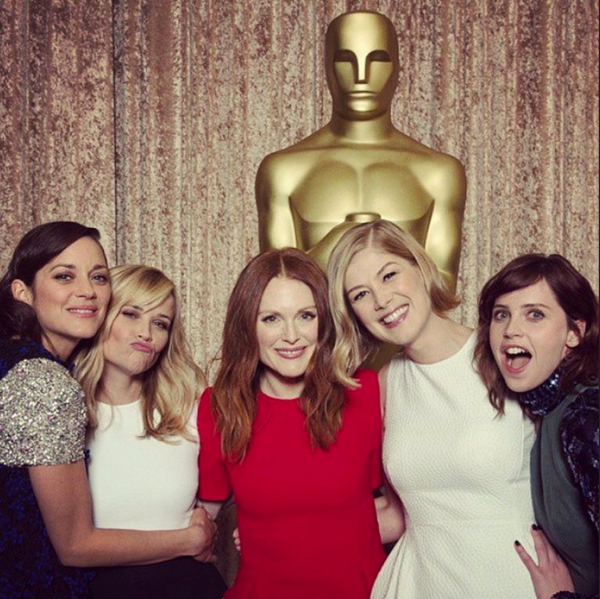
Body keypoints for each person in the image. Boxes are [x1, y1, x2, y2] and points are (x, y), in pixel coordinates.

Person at [0, 222, 216, 598]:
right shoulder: (47, 384)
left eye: (98, 277)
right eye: (64, 276)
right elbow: (74, 545)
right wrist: (190, 539)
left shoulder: (33, 370)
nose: (85, 291)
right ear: (23, 292)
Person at [327, 219, 538, 598]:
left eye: (389, 275)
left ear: (421, 268)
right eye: (360, 294)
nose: (381, 300)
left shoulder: (504, 353)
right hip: (415, 584)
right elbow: (395, 514)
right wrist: (285, 529)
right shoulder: (385, 385)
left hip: (511, 581)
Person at [197, 247, 391, 599]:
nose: (291, 335)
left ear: (325, 321)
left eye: (306, 316)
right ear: (247, 326)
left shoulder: (366, 394)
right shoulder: (219, 406)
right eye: (271, 318)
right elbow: (198, 522)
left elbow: (409, 506)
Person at [256, 10, 466, 293]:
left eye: (377, 60)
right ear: (327, 68)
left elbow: (445, 289)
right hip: (318, 338)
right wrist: (340, 245)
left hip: (401, 338)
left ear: (398, 68)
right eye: (346, 60)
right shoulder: (284, 171)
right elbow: (276, 290)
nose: (361, 76)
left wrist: (370, 253)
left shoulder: (439, 173)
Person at [75, 264, 227, 599]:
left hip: (190, 589)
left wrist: (208, 525)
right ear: (101, 316)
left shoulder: (190, 405)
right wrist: (188, 540)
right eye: (131, 314)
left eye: (160, 323)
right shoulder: (65, 411)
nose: (146, 332)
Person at [475, 253, 599, 599]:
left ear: (574, 333)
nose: (511, 329)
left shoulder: (587, 415)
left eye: (535, 314)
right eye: (502, 315)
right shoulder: (546, 410)